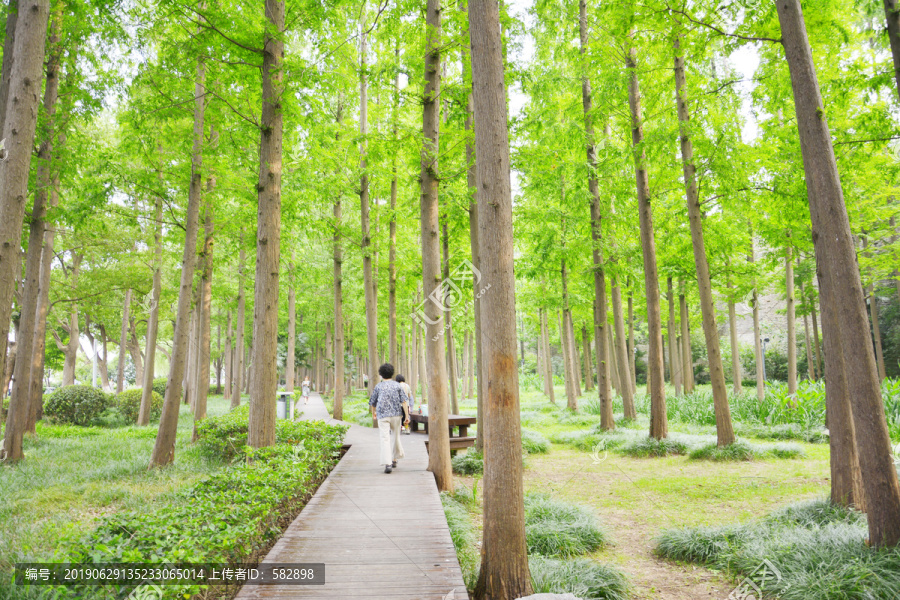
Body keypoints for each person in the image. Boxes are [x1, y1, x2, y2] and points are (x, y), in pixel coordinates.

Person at [368, 363, 410, 473]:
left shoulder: (378, 386)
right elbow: (404, 401)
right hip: (396, 415)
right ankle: (395, 459)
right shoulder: (398, 385)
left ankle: (388, 464)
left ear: (381, 374)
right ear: (392, 373)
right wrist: (407, 416)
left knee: (384, 438)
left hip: (383, 415)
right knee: (396, 437)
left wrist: (374, 413)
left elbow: (373, 402)